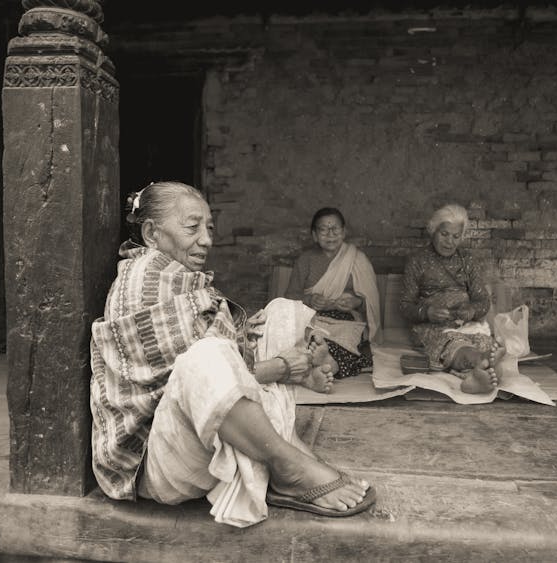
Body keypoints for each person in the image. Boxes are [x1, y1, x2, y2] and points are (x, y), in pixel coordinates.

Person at [90, 181, 375, 528]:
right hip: (159, 460)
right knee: (205, 356)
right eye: (192, 227)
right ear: (151, 233)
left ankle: (287, 447)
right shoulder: (143, 281)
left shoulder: (183, 279)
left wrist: (263, 349)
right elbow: (187, 382)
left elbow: (225, 357)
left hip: (200, 433)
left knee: (283, 311)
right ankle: (289, 468)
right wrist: (285, 368)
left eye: (209, 228)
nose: (206, 239)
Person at [400, 204, 504, 394]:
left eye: (456, 236)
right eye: (444, 234)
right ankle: (483, 365)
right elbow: (405, 306)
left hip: (466, 324)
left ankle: (477, 373)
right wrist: (427, 312)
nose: (449, 242)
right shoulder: (417, 261)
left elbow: (483, 301)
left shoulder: (467, 261)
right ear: (433, 231)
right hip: (432, 327)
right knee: (456, 343)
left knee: (484, 341)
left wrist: (471, 311)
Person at [284, 207, 382, 379]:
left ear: (344, 232)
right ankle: (328, 364)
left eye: (335, 228)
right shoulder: (306, 260)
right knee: (308, 339)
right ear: (314, 235)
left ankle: (326, 364)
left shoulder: (357, 259)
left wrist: (357, 302)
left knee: (349, 341)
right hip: (313, 317)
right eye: (323, 229)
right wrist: (309, 299)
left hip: (348, 320)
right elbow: (289, 297)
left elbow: (373, 304)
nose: (330, 234)